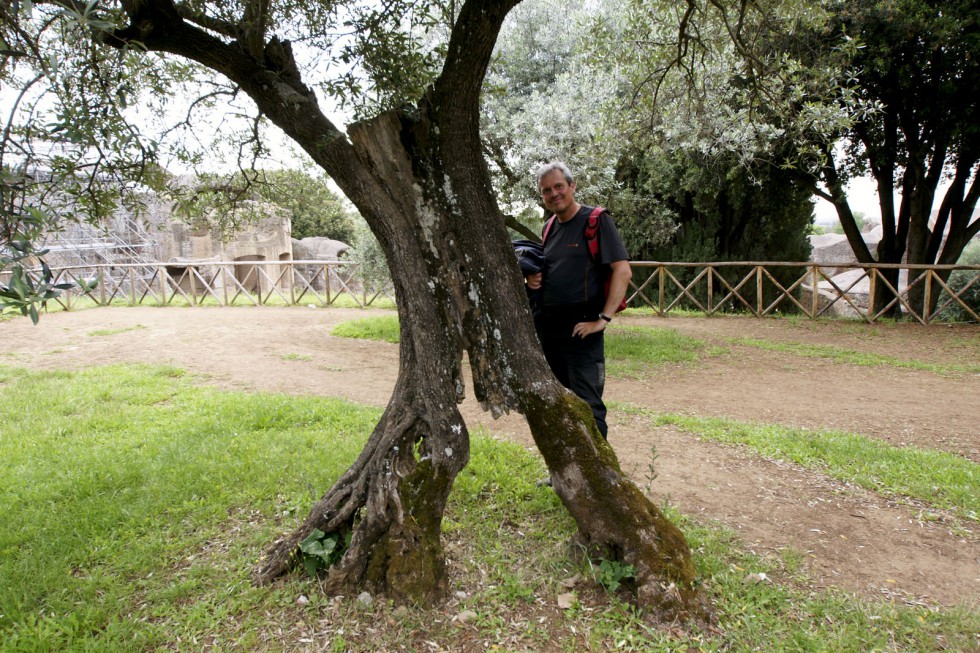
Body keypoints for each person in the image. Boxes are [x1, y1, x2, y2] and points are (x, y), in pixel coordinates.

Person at [526, 161, 632, 439]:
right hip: (550, 332)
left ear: (572, 186)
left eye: (558, 186)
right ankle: (566, 473)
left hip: (582, 333)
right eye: (546, 190)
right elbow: (552, 270)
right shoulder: (549, 227)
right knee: (560, 404)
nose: (553, 194)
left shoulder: (596, 220)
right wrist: (533, 280)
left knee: (589, 406)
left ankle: (599, 479)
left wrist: (603, 319)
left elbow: (622, 270)